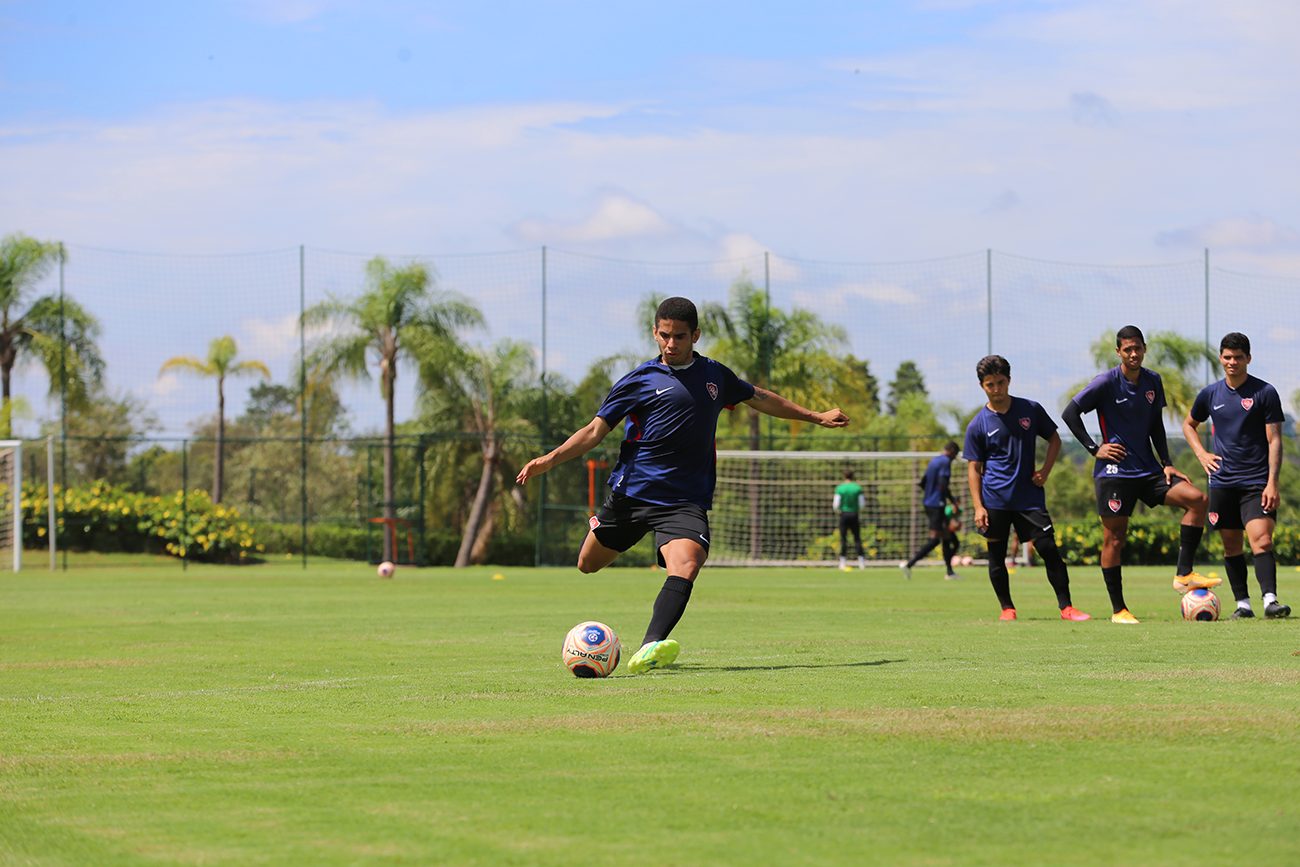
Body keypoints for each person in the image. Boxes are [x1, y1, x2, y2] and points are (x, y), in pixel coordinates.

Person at [515, 297, 851, 672]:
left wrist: (816, 416)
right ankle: (605, 529)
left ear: (695, 335)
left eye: (679, 336)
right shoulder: (639, 380)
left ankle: (649, 647)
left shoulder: (715, 376)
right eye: (664, 335)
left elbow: (760, 397)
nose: (671, 344)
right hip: (633, 494)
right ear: (655, 333)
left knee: (688, 563)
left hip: (684, 500)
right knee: (587, 564)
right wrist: (549, 459)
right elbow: (595, 431)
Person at [1061, 326, 1213, 624]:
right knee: (1114, 540)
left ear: (1144, 348)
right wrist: (1095, 448)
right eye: (1127, 349)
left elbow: (1156, 423)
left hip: (1149, 471)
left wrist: (1167, 462)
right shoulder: (1105, 382)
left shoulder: (1153, 380)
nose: (1133, 354)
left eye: (1138, 348)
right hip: (1114, 474)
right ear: (1119, 351)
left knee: (1197, 500)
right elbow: (1070, 413)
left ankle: (1183, 575)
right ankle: (1119, 610)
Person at [964, 355, 1090, 622]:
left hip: (1029, 499)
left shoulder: (1030, 409)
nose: (996, 389)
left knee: (1048, 550)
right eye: (990, 384)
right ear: (981, 385)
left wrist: (1045, 471)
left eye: (1000, 382)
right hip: (994, 500)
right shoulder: (978, 424)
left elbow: (1054, 440)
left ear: (1009, 381)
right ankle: (1007, 609)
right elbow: (973, 468)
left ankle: (1066, 608)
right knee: (996, 556)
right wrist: (978, 506)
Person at [1181, 332, 1290, 619]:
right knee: (1231, 545)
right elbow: (1189, 425)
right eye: (1227, 357)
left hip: (1257, 483)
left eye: (1238, 357)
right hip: (1222, 483)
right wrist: (1202, 454)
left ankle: (1270, 601)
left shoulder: (1265, 392)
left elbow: (1275, 439)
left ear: (1248, 359)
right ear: (1221, 358)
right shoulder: (1210, 394)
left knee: (1262, 541)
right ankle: (1243, 605)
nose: (1232, 362)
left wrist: (1272, 482)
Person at [901, 441, 963, 580]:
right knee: (935, 539)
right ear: (952, 450)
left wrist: (930, 494)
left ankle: (950, 572)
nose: (954, 458)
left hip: (929, 502)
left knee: (946, 537)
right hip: (936, 504)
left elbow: (923, 482)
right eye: (956, 455)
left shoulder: (934, 460)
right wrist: (953, 502)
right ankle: (909, 564)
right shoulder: (945, 461)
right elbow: (943, 483)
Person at [833, 470, 866, 570]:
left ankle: (842, 562)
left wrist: (838, 511)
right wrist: (857, 511)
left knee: (843, 538)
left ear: (844, 476)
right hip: (854, 514)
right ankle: (862, 563)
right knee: (857, 538)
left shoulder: (840, 488)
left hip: (844, 514)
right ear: (853, 476)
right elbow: (862, 503)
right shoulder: (857, 488)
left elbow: (836, 504)